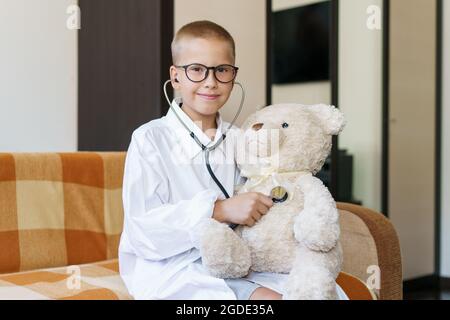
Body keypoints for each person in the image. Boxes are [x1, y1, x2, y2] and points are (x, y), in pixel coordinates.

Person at [118, 20, 347, 300]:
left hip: (242, 259)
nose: (211, 82)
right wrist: (220, 210)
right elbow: (143, 231)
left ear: (233, 75)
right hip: (174, 268)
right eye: (197, 70)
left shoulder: (241, 139)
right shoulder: (150, 139)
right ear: (175, 76)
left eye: (222, 70)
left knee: (323, 293)